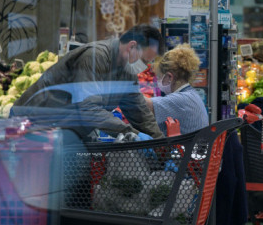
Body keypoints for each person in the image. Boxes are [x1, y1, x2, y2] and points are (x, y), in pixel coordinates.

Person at [12, 24, 164, 141]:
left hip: (60, 129)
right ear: (132, 47)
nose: (144, 67)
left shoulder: (126, 71)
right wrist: (131, 133)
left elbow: (139, 111)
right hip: (32, 124)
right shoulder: (94, 57)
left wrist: (162, 145)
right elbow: (89, 109)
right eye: (144, 61)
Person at [144, 43, 208, 136]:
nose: (157, 81)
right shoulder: (190, 95)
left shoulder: (182, 100)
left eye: (159, 76)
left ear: (169, 77)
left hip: (187, 150)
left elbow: (144, 105)